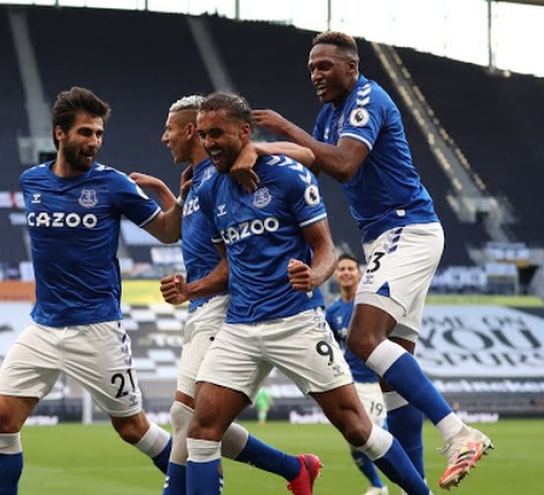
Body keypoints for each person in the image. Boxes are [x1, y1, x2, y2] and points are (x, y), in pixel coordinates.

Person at [234, 31, 493, 490]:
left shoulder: (367, 99)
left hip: (405, 229)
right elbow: (313, 159)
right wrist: (262, 149)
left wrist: (284, 128)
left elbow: (343, 163)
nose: (315, 75)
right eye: (311, 68)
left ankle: (459, 433)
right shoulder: (330, 114)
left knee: (362, 338)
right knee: (393, 384)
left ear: (351, 67)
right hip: (387, 238)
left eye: (324, 66)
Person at [185, 92, 432, 495]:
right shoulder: (211, 190)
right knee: (201, 429)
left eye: (217, 133)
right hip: (240, 327)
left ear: (244, 132)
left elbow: (325, 249)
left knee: (357, 428)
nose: (208, 142)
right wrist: (191, 287)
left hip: (296, 322)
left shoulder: (287, 176)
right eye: (203, 134)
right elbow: (228, 264)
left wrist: (314, 277)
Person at [0, 87, 185, 495]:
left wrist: (179, 196)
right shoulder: (31, 181)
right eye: (85, 132)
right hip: (43, 327)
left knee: (132, 428)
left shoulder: (113, 184)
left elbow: (168, 232)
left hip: (96, 328)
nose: (93, 141)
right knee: (2, 419)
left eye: (98, 134)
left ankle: (199, 482)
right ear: (60, 134)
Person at [130, 95, 325, 495]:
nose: (164, 137)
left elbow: (305, 154)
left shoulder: (229, 172)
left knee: (188, 416)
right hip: (201, 305)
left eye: (169, 129)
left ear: (190, 131)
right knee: (192, 417)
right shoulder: (195, 180)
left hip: (224, 302)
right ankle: (295, 467)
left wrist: (257, 150)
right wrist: (167, 193)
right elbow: (179, 231)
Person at [327, 253, 389, 495]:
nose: (345, 273)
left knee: (376, 437)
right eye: (341, 269)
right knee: (354, 439)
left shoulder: (369, 305)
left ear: (359, 273)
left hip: (375, 382)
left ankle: (412, 482)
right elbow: (333, 346)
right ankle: (378, 485)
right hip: (351, 383)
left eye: (350, 269)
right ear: (335, 274)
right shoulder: (333, 312)